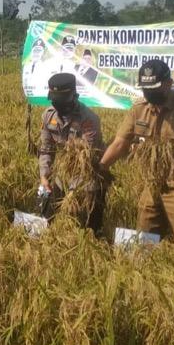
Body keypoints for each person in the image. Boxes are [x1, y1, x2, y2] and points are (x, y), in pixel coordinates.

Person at [99, 59, 174, 245]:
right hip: (152, 180)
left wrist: (172, 171)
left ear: (168, 83)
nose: (149, 93)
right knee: (145, 235)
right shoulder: (138, 109)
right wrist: (100, 168)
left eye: (154, 88)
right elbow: (120, 143)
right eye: (145, 89)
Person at [38, 73, 107, 234]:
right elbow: (46, 149)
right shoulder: (48, 116)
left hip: (89, 175)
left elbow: (86, 160)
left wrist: (73, 191)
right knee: (46, 210)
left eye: (61, 100)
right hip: (63, 173)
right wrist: (44, 176)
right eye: (54, 99)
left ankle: (93, 235)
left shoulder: (88, 119)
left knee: (88, 226)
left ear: (73, 95)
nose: (57, 104)